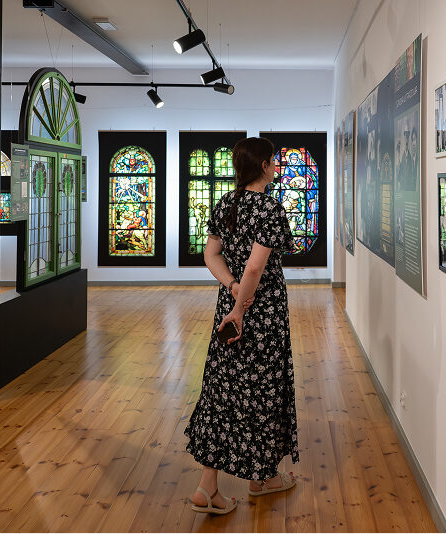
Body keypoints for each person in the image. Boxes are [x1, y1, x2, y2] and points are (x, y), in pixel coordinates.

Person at [184, 137, 299, 515]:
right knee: (263, 390)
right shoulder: (269, 209)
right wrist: (240, 307)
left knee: (223, 389)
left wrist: (232, 290)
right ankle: (262, 478)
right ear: (263, 165)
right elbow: (255, 267)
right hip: (260, 314)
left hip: (230, 311)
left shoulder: (225, 204)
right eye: (274, 161)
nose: (276, 166)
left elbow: (211, 254)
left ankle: (207, 487)